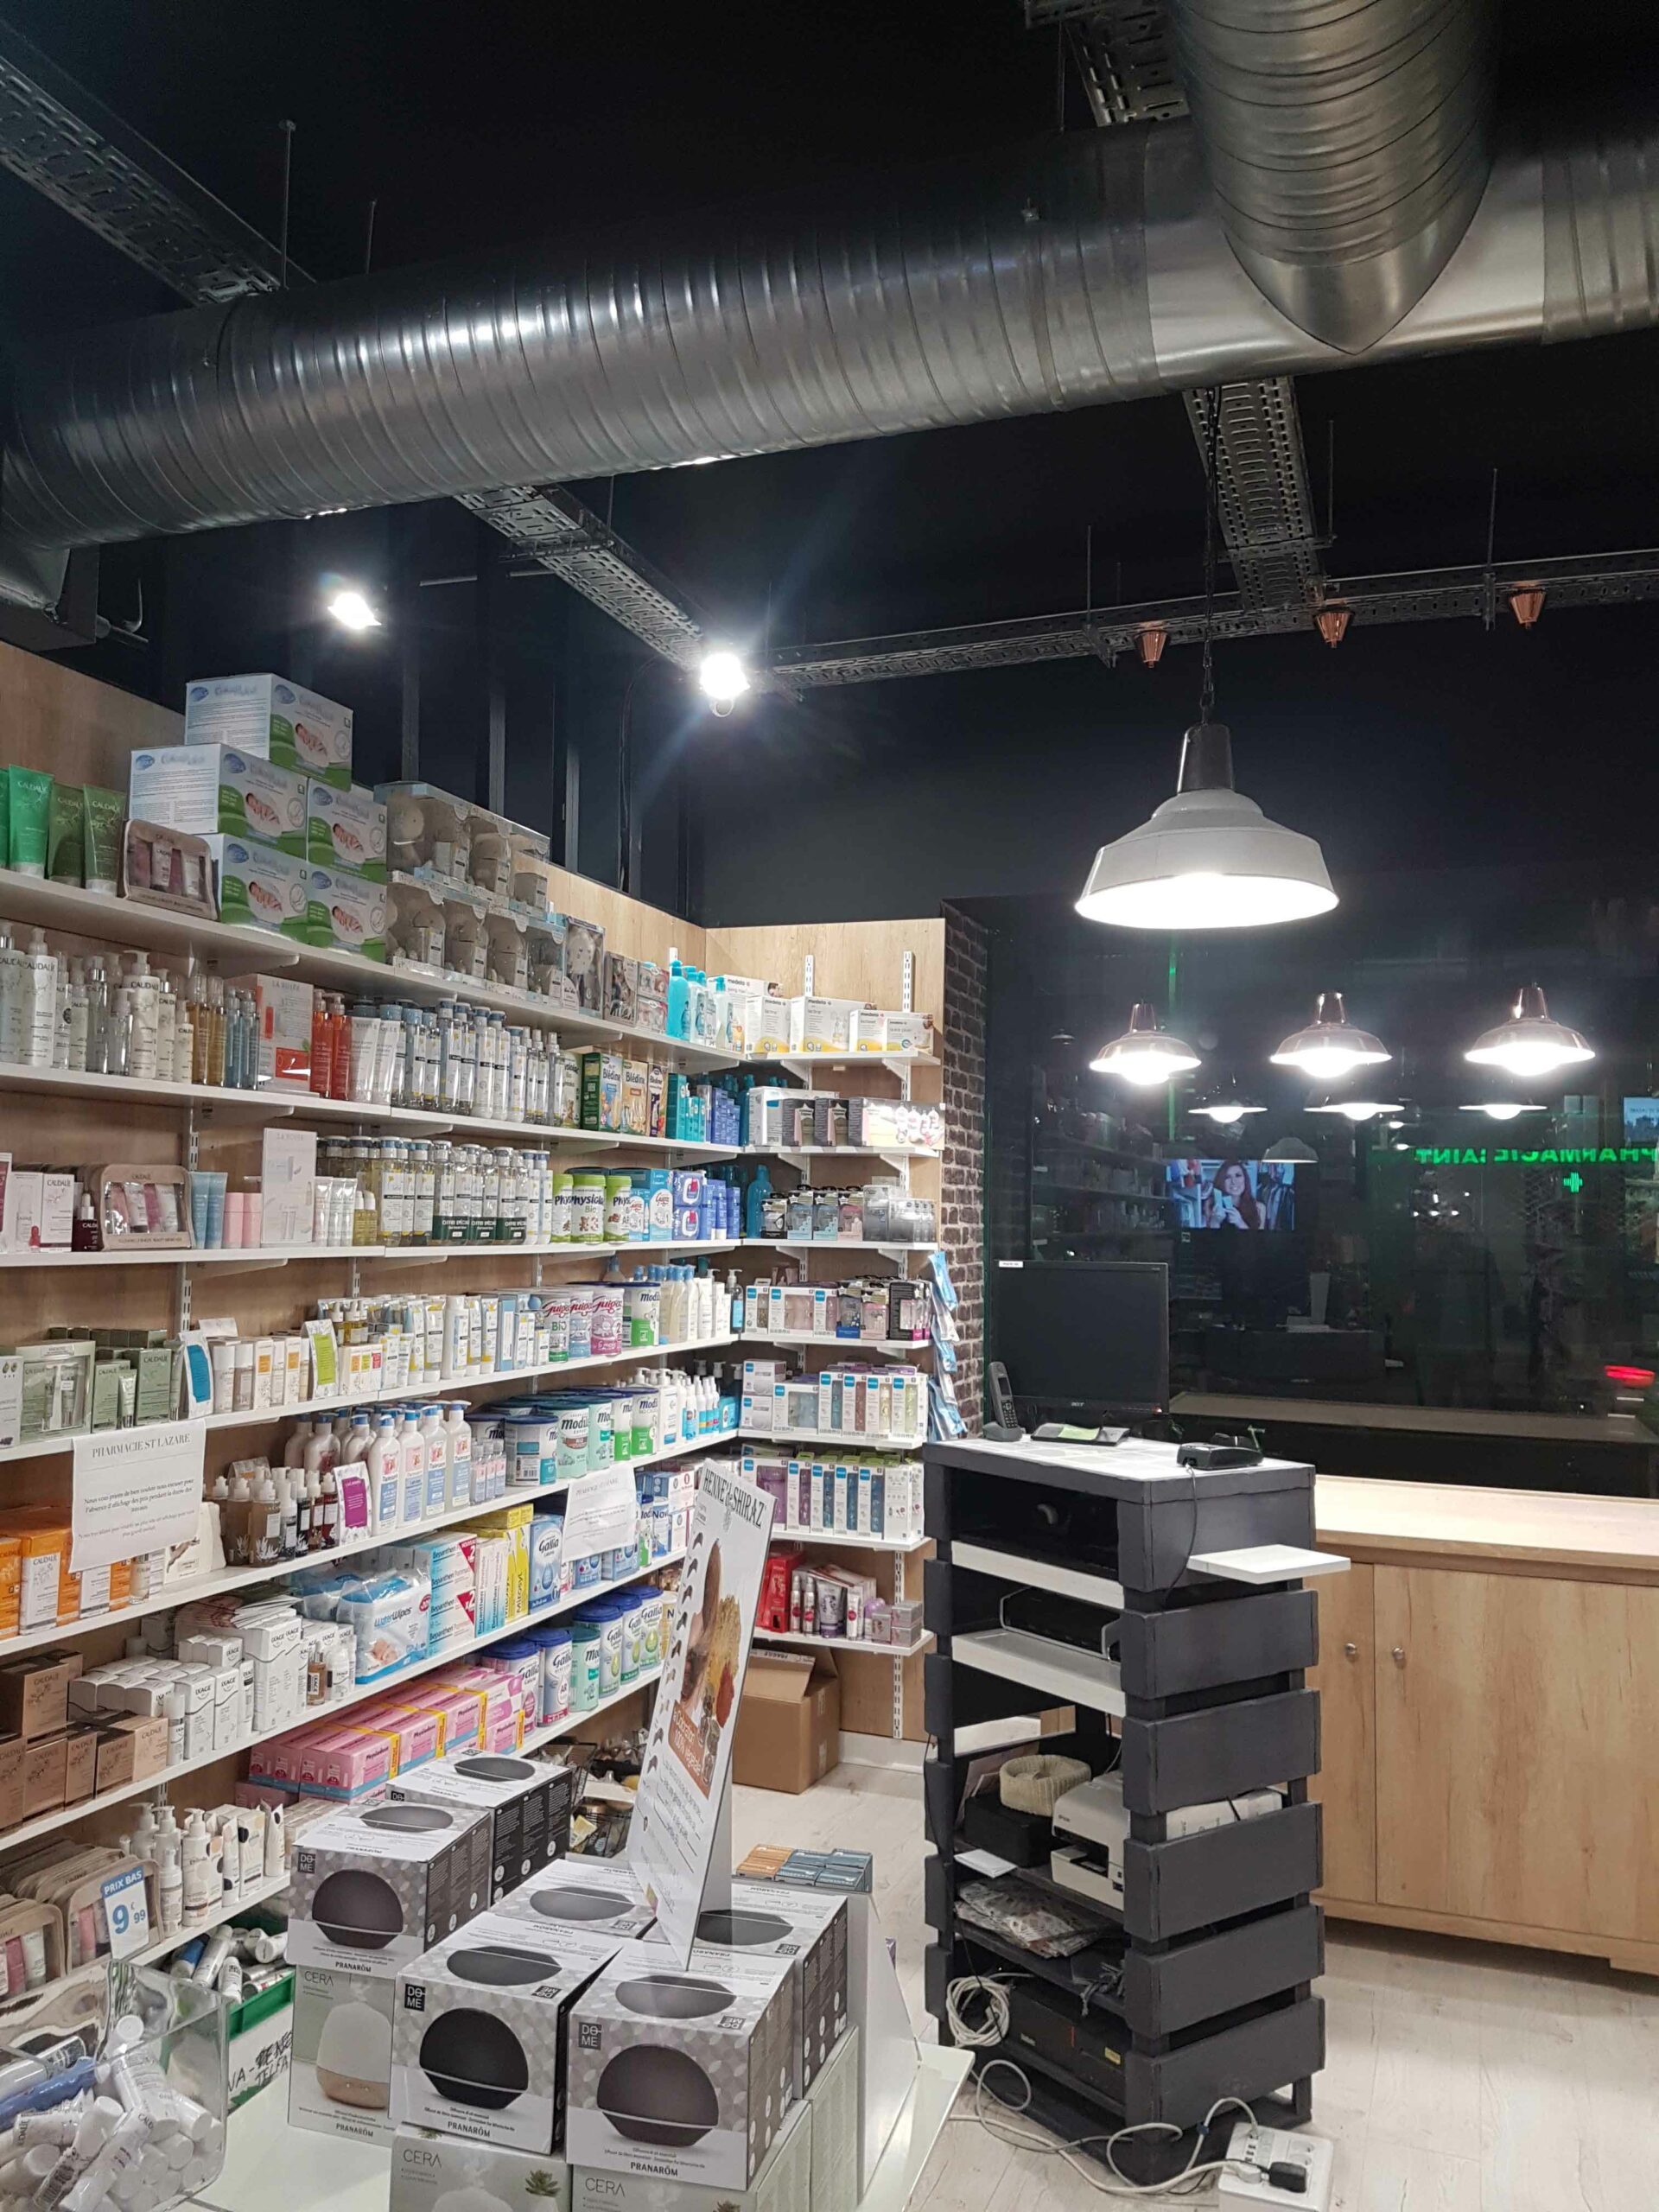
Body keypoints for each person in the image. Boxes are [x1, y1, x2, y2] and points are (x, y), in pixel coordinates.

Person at [1205, 1158, 1261, 1230]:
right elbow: (1209, 1236)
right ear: (1221, 1181)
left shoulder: (1259, 1207)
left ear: (1245, 1179)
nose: (1234, 1182)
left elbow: (1259, 1237)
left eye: (1238, 1175)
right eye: (1228, 1177)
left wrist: (1240, 1222)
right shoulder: (1210, 1204)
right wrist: (1215, 1221)